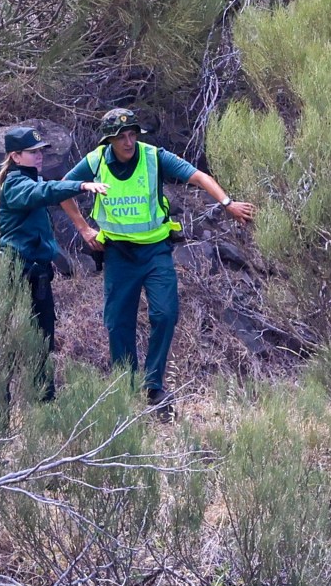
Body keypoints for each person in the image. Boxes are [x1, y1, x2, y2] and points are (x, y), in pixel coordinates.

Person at [60, 108, 255, 417]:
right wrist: (84, 229)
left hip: (155, 252)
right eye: (121, 137)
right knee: (117, 322)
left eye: (132, 135)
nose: (128, 142)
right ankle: (125, 387)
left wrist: (227, 203)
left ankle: (153, 386)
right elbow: (63, 189)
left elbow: (198, 176)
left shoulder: (153, 156)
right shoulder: (96, 161)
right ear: (109, 140)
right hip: (118, 254)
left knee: (165, 313)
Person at [0, 126, 108, 401]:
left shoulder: (29, 181)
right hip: (16, 272)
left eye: (41, 151)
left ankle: (44, 405)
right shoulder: (15, 183)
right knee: (9, 341)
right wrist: (81, 185)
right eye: (33, 152)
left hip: (38, 274)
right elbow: (44, 192)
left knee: (42, 343)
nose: (39, 156)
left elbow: (43, 189)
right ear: (16, 156)